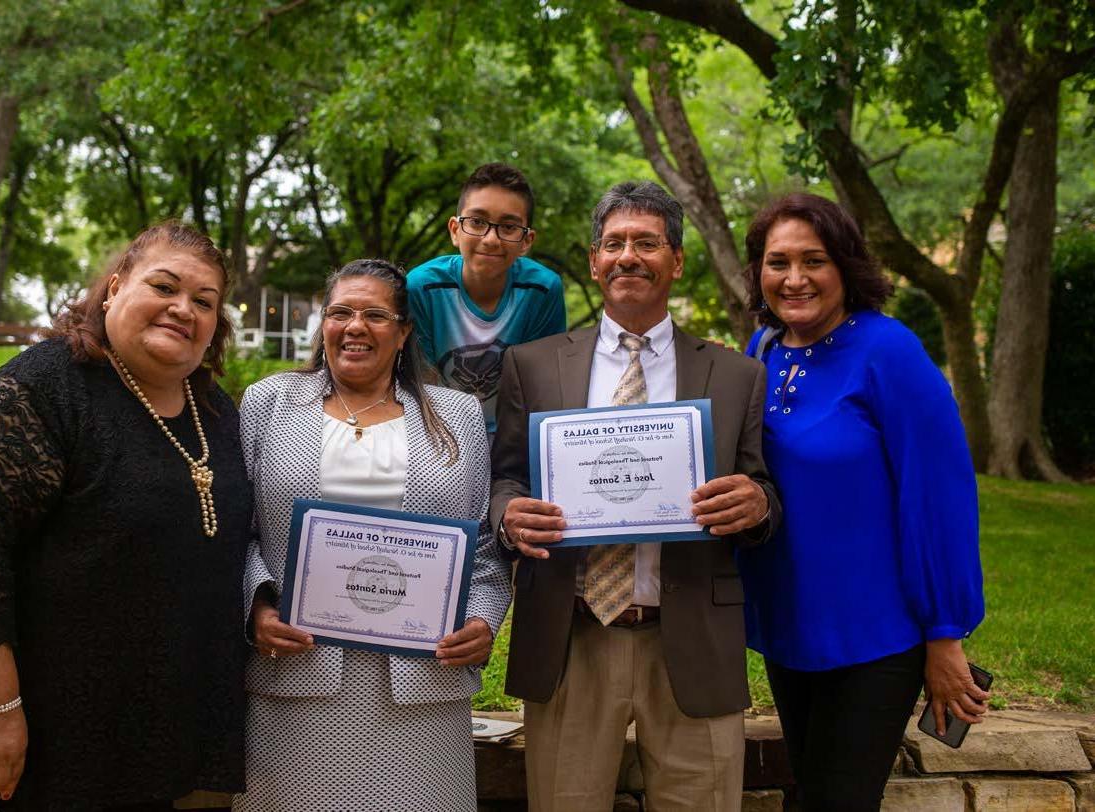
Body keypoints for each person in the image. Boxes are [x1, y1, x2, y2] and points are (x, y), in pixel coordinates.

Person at [0, 221, 253, 810]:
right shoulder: (46, 387)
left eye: (204, 301)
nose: (182, 309)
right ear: (115, 288)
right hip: (52, 730)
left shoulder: (214, 410)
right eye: (164, 287)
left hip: (169, 727)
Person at [490, 181, 780, 811]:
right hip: (571, 636)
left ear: (675, 261)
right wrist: (510, 517)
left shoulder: (736, 376)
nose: (628, 256)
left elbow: (764, 489)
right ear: (594, 261)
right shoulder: (532, 366)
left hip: (692, 637)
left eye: (646, 243)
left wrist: (756, 505)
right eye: (614, 243)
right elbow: (506, 476)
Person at [234, 259, 511, 811]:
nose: (354, 326)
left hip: (423, 692)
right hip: (294, 680)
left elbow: (481, 545)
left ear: (404, 331)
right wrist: (258, 608)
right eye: (340, 312)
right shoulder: (269, 405)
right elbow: (237, 533)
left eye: (375, 315)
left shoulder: (457, 415)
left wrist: (481, 621)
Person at [739, 192, 987, 810]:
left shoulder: (889, 352)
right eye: (777, 262)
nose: (794, 279)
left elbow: (939, 496)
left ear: (846, 265)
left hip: (878, 634)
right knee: (811, 790)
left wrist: (944, 633)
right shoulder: (761, 350)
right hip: (788, 625)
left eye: (813, 260)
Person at [407, 162, 567, 434]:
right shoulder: (421, 287)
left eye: (508, 226)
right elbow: (423, 385)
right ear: (455, 230)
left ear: (527, 241)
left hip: (514, 438)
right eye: (477, 222)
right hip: (437, 434)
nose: (491, 239)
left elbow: (539, 386)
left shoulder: (542, 290)